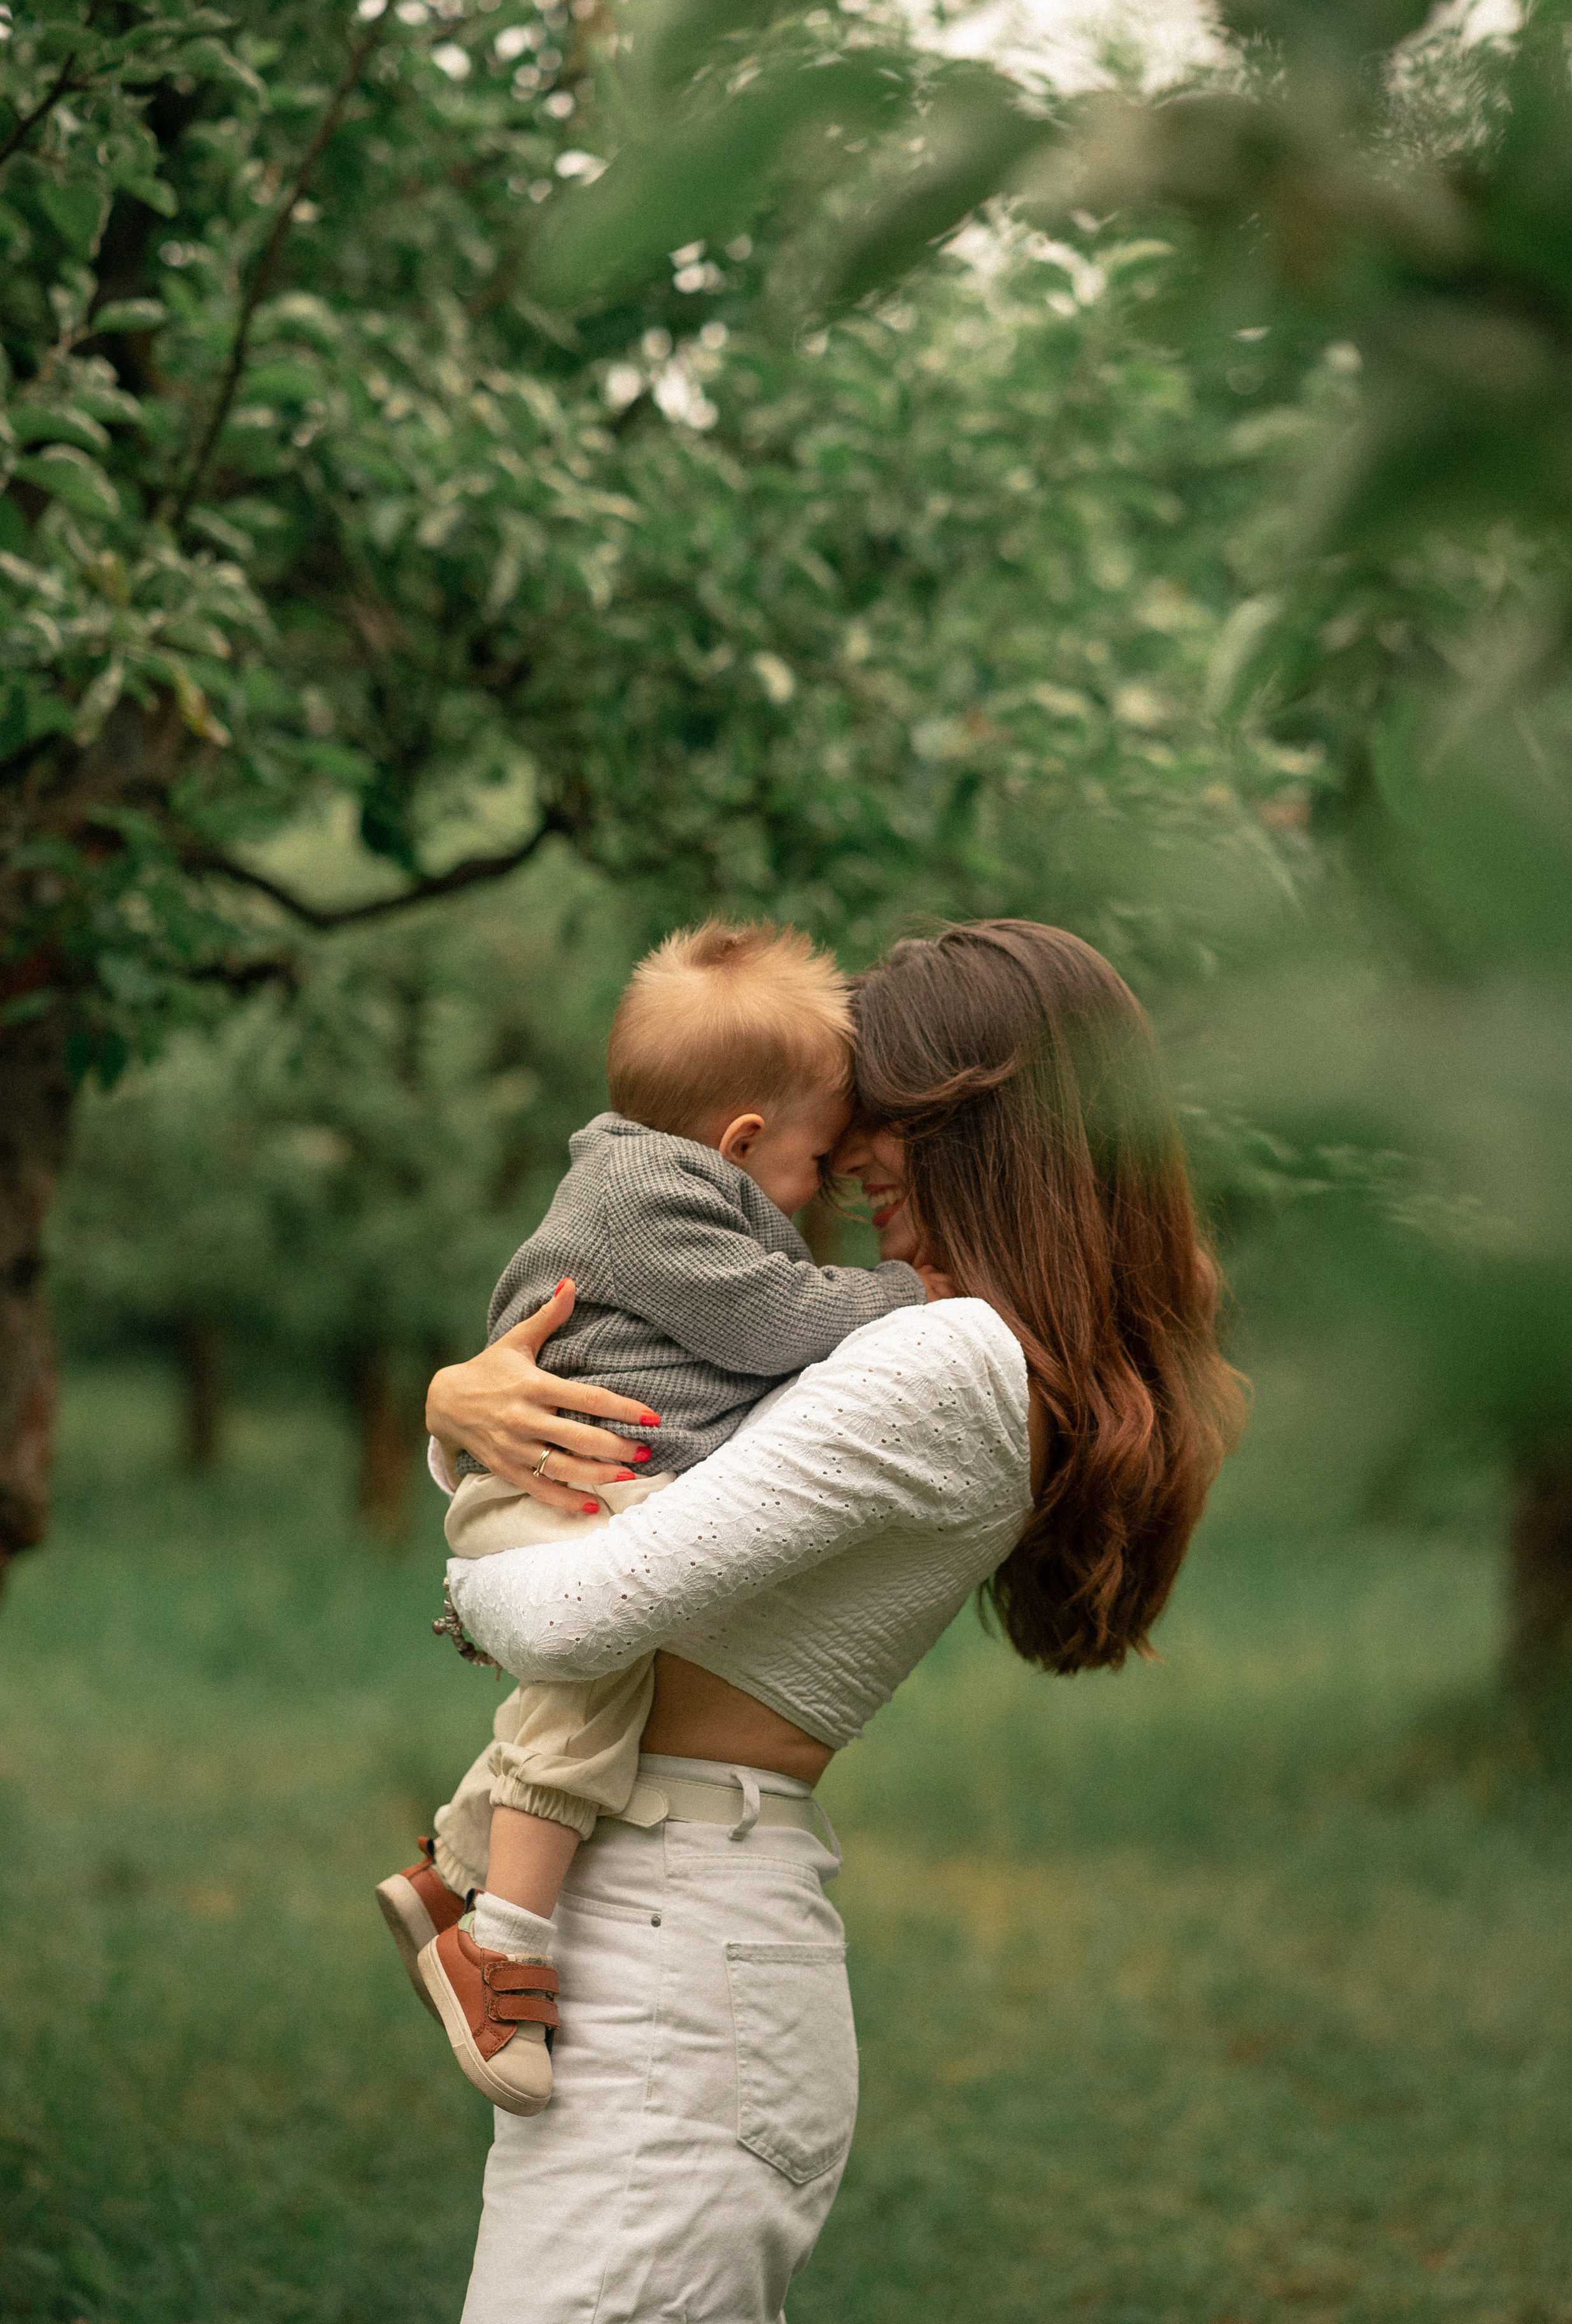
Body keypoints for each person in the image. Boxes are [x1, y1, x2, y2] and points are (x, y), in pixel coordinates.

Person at [418, 921, 1246, 2324]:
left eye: (891, 1122)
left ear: (990, 1131)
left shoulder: (948, 1354)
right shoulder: (965, 1350)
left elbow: (566, 1621)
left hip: (679, 1946)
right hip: (663, 1919)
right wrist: (467, 1411)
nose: (853, 1156)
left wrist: (459, 1484)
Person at [375, 921, 938, 2115]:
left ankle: (449, 1881)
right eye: (811, 1164)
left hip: (565, 1484)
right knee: (603, 1684)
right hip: (547, 1491)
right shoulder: (656, 1201)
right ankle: (502, 1943)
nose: (818, 1191)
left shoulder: (645, 1177)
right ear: (741, 1142)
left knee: (583, 1692)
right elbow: (772, 1323)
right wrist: (908, 1295)